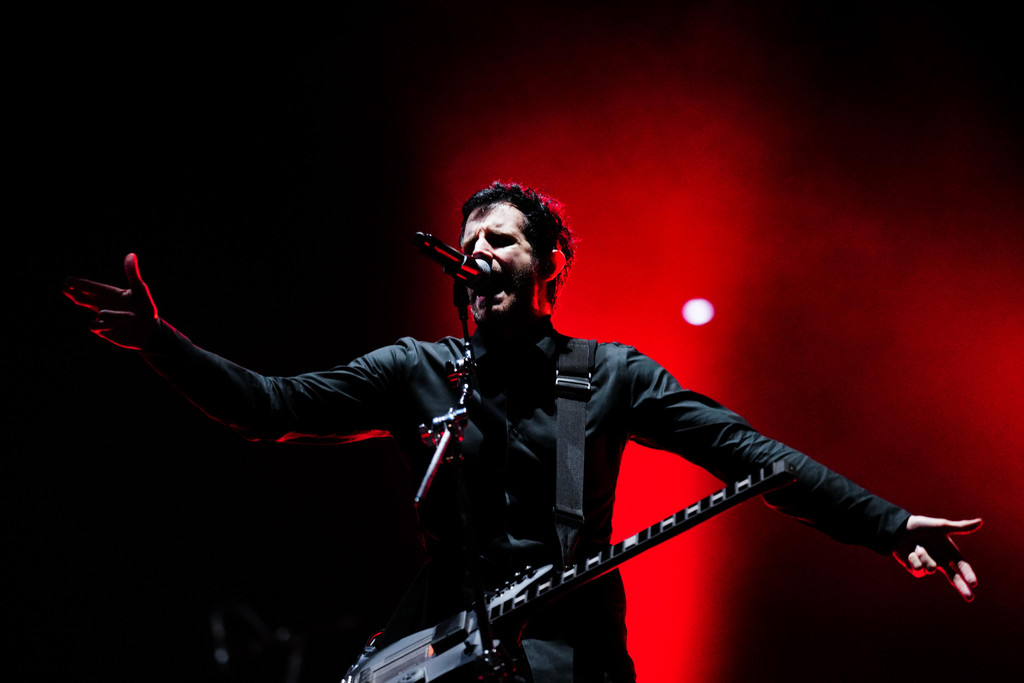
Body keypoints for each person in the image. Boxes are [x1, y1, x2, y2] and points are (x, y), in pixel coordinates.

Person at [64, 182, 981, 682]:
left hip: (565, 642)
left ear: (552, 267)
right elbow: (271, 407)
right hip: (433, 639)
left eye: (501, 240)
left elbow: (750, 458)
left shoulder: (611, 375)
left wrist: (884, 523)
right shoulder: (417, 369)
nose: (479, 253)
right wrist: (164, 344)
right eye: (470, 242)